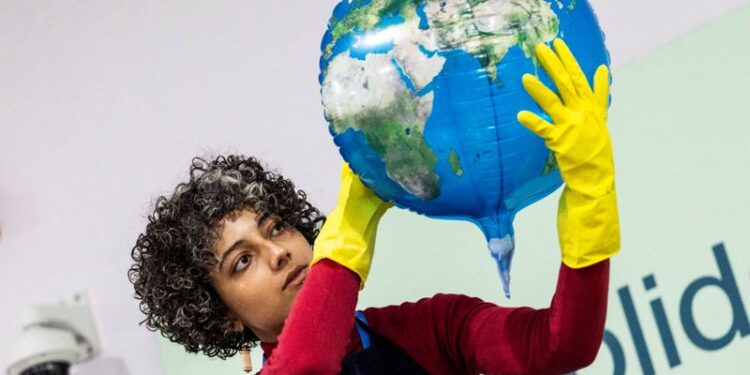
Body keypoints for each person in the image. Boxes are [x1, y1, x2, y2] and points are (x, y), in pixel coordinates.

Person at [128, 39, 620, 374]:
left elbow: (562, 345)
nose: (277, 251)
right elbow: (308, 366)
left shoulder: (430, 327)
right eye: (242, 261)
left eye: (276, 227)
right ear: (224, 316)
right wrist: (353, 229)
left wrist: (590, 196)